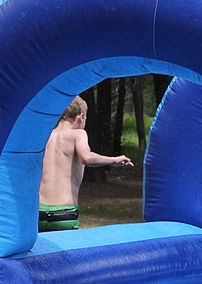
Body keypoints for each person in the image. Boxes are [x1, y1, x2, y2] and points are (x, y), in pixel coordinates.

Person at [38, 96, 134, 231]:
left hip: (39, 212)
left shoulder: (47, 135)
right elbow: (86, 158)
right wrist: (114, 160)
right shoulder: (78, 134)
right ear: (80, 117)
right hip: (64, 213)